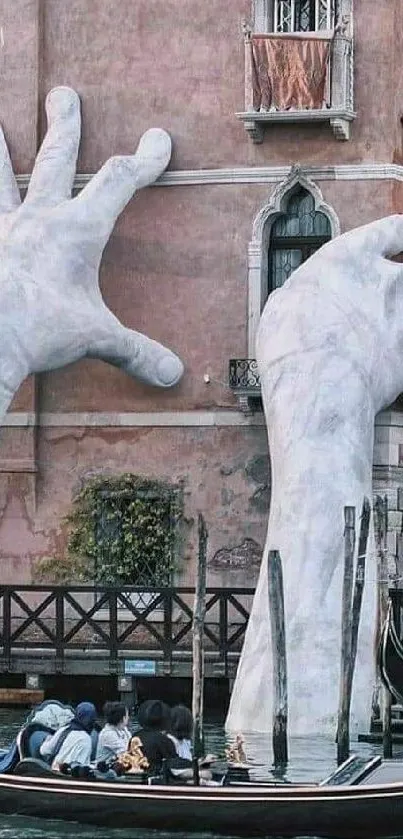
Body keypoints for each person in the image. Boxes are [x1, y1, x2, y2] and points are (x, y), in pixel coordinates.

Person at [40, 701, 97, 773]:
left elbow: (44, 751)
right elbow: (80, 769)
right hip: (67, 776)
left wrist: (47, 740)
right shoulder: (86, 739)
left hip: (53, 772)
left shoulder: (64, 729)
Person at [135, 699, 176, 773]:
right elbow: (173, 765)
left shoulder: (135, 737)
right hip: (156, 778)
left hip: (135, 776)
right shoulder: (164, 740)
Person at [95, 701, 131, 766]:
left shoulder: (123, 730)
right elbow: (124, 753)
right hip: (105, 771)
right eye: (127, 715)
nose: (128, 717)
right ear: (122, 718)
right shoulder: (108, 734)